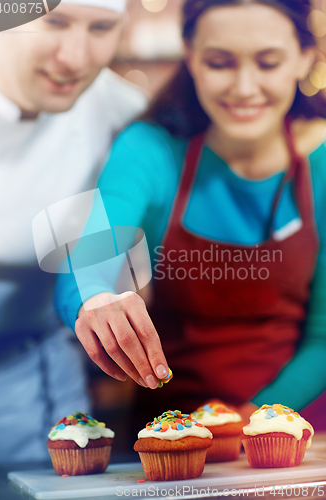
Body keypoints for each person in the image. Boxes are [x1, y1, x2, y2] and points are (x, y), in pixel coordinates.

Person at [56, 0, 326, 431]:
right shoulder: (151, 150)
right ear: (191, 56)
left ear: (305, 59)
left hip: (296, 434)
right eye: (220, 63)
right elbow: (90, 250)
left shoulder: (321, 165)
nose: (244, 87)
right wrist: (95, 298)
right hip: (170, 430)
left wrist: (253, 419)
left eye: (268, 62)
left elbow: (323, 338)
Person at [0, 0, 147, 463]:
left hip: (29, 391)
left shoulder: (122, 113)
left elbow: (96, 248)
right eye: (54, 21)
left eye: (101, 27)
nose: (75, 57)